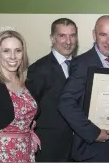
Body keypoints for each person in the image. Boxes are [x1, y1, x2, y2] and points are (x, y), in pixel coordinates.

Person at [57, 15, 109, 162]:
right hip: (95, 151)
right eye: (103, 35)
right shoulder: (81, 63)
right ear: (94, 35)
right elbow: (66, 102)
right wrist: (93, 133)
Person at [0, 30, 40, 162]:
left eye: (18, 51)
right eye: (6, 51)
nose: (13, 56)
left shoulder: (27, 84)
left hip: (24, 152)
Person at [26, 18, 77, 161]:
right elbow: (29, 112)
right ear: (52, 38)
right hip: (49, 149)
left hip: (79, 150)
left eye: (72, 36)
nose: (68, 41)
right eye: (62, 36)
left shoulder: (81, 66)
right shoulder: (38, 70)